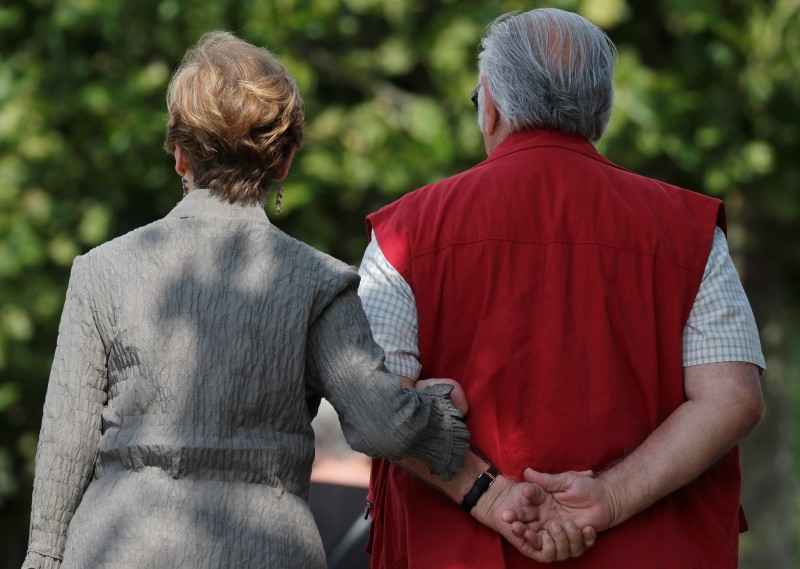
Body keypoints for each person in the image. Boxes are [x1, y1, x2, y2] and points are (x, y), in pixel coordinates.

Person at [21, 31, 478, 569]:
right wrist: (441, 417)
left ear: (178, 155)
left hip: (119, 548)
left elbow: (63, 455)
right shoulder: (320, 282)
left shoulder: (99, 272)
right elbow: (383, 424)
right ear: (283, 163)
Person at [358, 8, 765, 568]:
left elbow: (378, 402)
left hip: (452, 551)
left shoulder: (405, 231)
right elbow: (732, 397)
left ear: (493, 105)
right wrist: (613, 495)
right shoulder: (689, 232)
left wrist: (487, 493)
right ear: (599, 116)